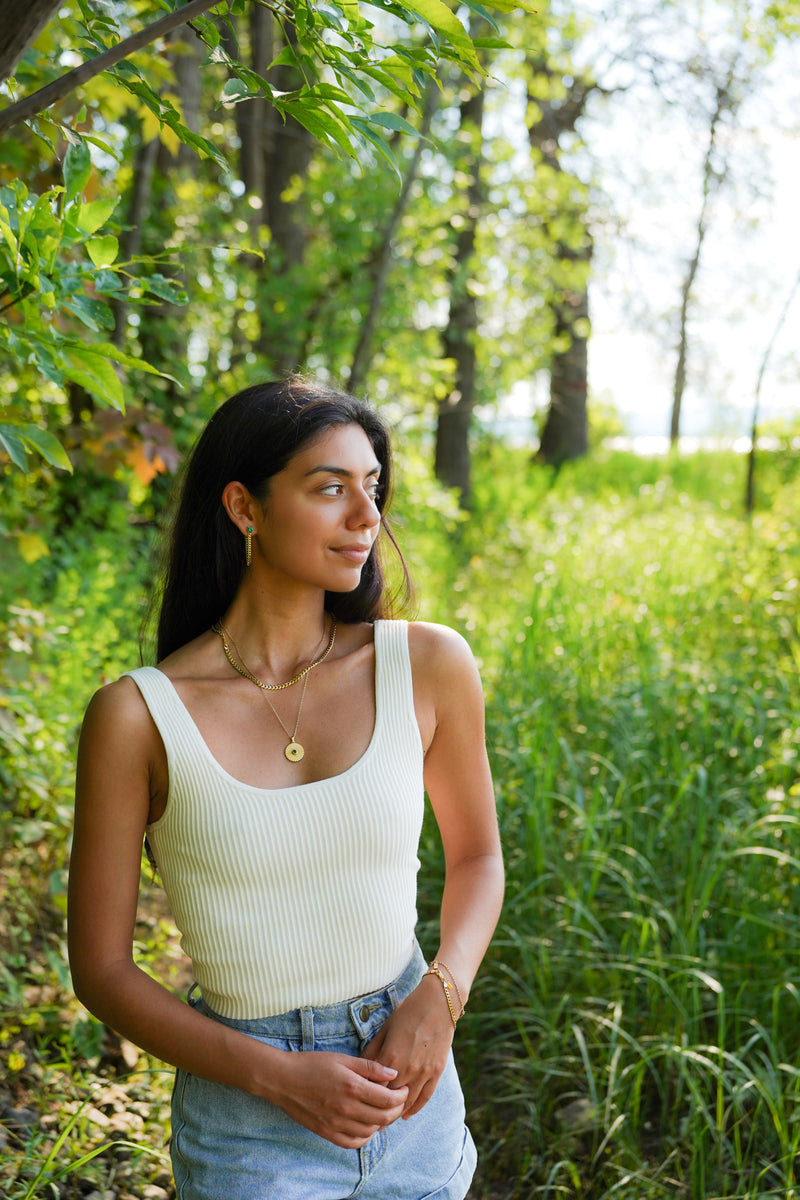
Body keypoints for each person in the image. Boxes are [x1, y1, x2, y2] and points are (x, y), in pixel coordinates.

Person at [68, 377, 505, 1200]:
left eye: (372, 487)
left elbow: (479, 856)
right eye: (329, 487)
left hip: (412, 1088)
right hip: (248, 1129)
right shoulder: (136, 717)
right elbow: (102, 970)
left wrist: (440, 997)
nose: (366, 516)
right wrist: (276, 1076)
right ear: (245, 507)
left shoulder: (428, 664)